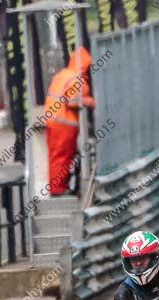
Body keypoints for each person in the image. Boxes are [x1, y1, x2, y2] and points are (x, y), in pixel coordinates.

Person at [44, 47, 94, 196]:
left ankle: (56, 187)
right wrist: (91, 101)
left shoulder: (63, 75)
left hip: (54, 121)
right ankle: (58, 189)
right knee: (62, 157)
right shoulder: (76, 79)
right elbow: (72, 101)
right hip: (64, 124)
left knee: (55, 156)